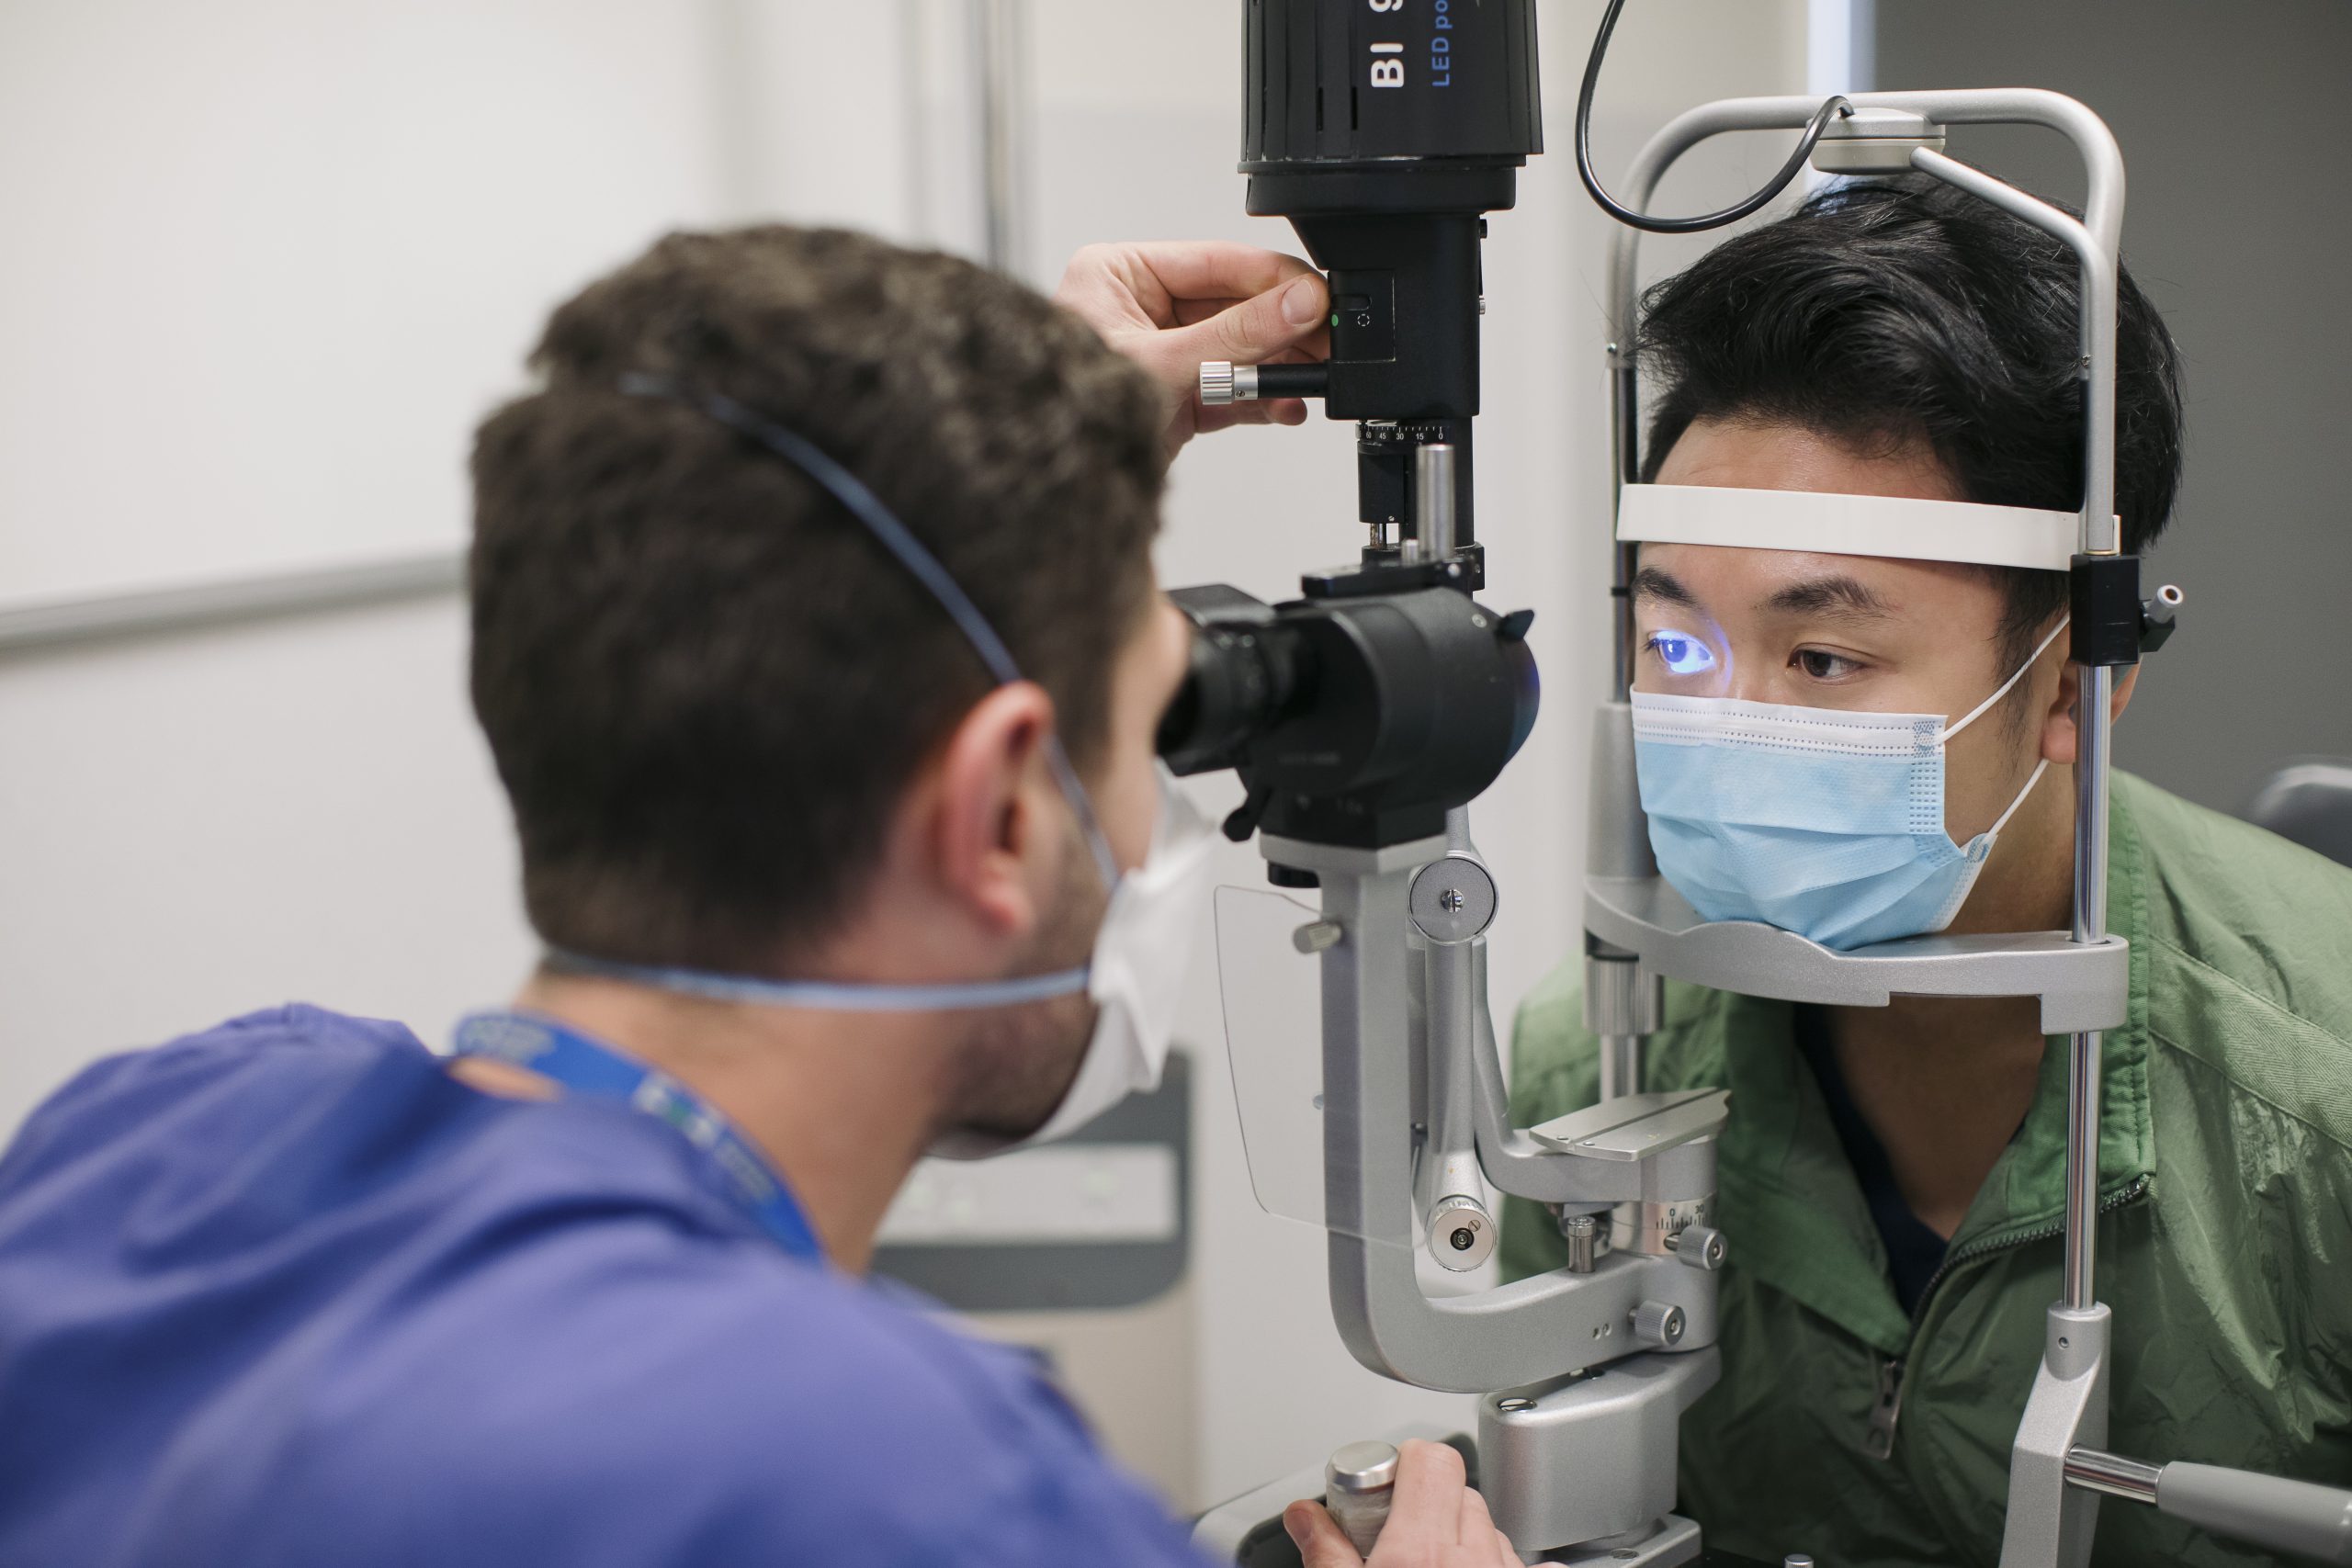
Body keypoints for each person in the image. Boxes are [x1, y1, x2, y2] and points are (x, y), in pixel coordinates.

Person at [0, 229, 1518, 1568]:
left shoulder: (158, 1133)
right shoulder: (919, 1494)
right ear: (997, 815)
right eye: (1151, 731)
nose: (1155, 814)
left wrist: (1016, 485)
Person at [1502, 175, 2352, 1566]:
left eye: (1823, 659)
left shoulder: (2320, 1107)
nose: (1729, 724)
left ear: (2078, 679)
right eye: (1676, 648)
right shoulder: (1591, 1078)